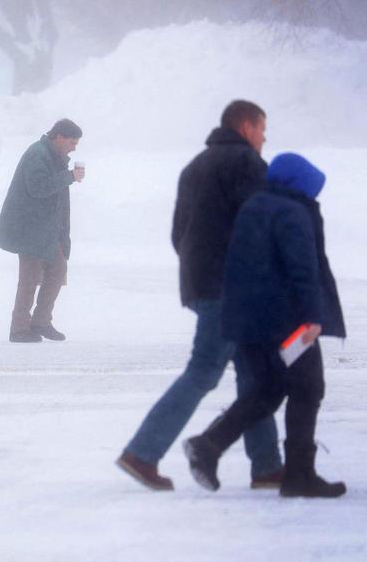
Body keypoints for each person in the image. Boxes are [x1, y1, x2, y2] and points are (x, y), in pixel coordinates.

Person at [117, 100, 282, 491]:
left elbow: (180, 235)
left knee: (253, 373)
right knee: (206, 369)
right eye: (261, 129)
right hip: (234, 287)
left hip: (204, 283)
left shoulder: (195, 167)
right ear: (244, 125)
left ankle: (267, 466)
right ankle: (142, 453)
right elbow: (262, 226)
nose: (263, 137)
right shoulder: (246, 164)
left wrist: (201, 273)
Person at [183, 153, 345, 497]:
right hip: (288, 323)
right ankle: (299, 475)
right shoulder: (293, 213)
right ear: (298, 185)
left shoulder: (255, 207)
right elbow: (303, 272)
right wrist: (313, 318)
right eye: (311, 189)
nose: (314, 196)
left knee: (268, 390)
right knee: (308, 388)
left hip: (250, 321)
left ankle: (209, 445)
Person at [0, 118, 85, 343]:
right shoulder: (38, 155)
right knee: (30, 277)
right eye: (72, 142)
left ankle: (41, 321)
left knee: (57, 268)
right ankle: (19, 329)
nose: (74, 147)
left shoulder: (53, 156)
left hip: (44, 229)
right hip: (29, 228)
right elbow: (39, 188)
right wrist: (69, 177)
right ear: (59, 137)